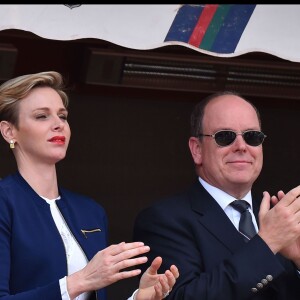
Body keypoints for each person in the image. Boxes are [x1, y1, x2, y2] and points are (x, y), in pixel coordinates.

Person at [0, 71, 179, 300]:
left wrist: (139, 298)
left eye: (62, 116)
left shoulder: (90, 211)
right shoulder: (5, 202)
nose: (58, 124)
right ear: (9, 131)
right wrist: (81, 280)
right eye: (42, 116)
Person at [133, 91, 300, 299]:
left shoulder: (278, 219)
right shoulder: (162, 220)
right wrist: (267, 244)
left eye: (252, 137)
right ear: (197, 150)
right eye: (225, 137)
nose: (241, 146)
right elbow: (183, 297)